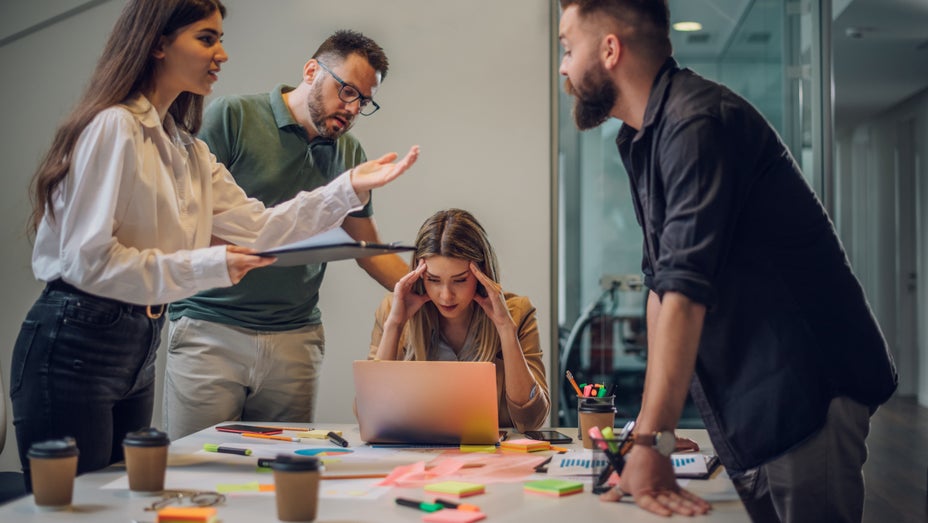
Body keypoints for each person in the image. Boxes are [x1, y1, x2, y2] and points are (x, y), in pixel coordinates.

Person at [10, 0, 418, 490]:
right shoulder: (114, 126)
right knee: (79, 505)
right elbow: (88, 262)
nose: (222, 53)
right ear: (158, 43)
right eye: (207, 39)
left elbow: (260, 228)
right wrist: (213, 265)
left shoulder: (186, 148)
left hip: (137, 340)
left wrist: (348, 186)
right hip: (76, 336)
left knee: (123, 500)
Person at [558, 1, 897, 521]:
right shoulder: (644, 137)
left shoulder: (697, 122)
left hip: (807, 391)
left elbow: (686, 294)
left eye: (567, 47)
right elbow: (661, 289)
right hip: (753, 401)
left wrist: (651, 445)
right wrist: (652, 441)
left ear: (609, 50)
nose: (562, 66)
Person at [164, 30, 409, 440]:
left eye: (363, 101)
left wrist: (424, 288)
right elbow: (187, 221)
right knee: (196, 471)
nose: (351, 109)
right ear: (312, 71)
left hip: (295, 337)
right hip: (211, 326)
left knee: (283, 476)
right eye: (346, 91)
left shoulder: (349, 153)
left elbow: (367, 247)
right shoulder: (232, 118)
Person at [369, 209, 549, 432]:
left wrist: (505, 329)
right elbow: (371, 417)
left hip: (492, 457)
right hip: (415, 454)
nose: (446, 296)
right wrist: (394, 325)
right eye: (433, 280)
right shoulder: (393, 311)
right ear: (418, 274)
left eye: (460, 280)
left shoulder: (518, 313)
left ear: (482, 273)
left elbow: (531, 420)